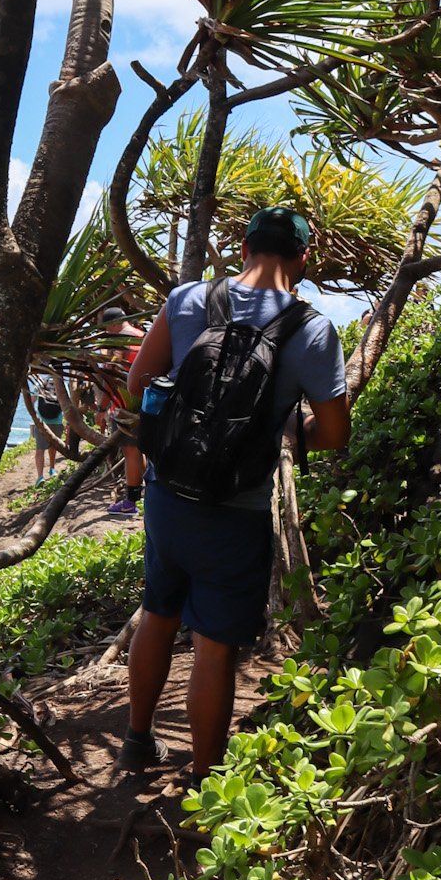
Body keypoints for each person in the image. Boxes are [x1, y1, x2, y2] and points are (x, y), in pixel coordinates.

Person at [118, 207, 351, 782]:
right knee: (215, 647)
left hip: (168, 495)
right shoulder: (312, 330)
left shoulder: (188, 300)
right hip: (236, 510)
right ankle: (204, 784)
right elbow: (335, 433)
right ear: (303, 259)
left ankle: (136, 742)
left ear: (243, 247)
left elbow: (138, 383)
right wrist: (281, 426)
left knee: (158, 613)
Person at [98, 305, 147, 517]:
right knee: (140, 450)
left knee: (130, 452)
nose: (106, 332)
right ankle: (144, 495)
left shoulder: (119, 342)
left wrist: (101, 408)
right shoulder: (142, 336)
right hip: (147, 401)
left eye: (107, 328)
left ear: (113, 324)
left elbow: (110, 378)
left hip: (126, 405)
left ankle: (131, 502)